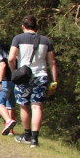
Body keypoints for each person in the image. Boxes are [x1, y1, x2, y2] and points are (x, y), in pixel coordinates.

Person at [8, 14, 58, 148]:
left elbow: (11, 58)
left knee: (24, 105)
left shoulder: (18, 38)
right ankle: (35, 140)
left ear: (23, 26)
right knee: (37, 106)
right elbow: (52, 62)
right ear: (36, 26)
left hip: (24, 76)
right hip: (41, 76)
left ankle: (27, 135)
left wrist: (14, 72)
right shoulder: (46, 41)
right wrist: (55, 81)